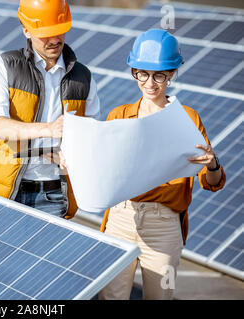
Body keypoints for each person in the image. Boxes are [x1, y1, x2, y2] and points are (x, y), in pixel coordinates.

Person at [91, 29, 226, 300]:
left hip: (163, 226)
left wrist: (212, 164)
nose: (150, 83)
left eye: (160, 75)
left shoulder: (188, 119)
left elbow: (211, 183)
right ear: (134, 71)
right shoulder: (119, 115)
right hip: (121, 218)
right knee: (110, 298)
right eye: (142, 73)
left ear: (172, 74)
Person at [0, 0, 100, 218]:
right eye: (46, 33)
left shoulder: (83, 78)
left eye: (60, 32)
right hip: (3, 190)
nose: (55, 40)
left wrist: (74, 155)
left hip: (53, 194)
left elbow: (92, 136)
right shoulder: (4, 65)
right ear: (26, 30)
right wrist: (48, 130)